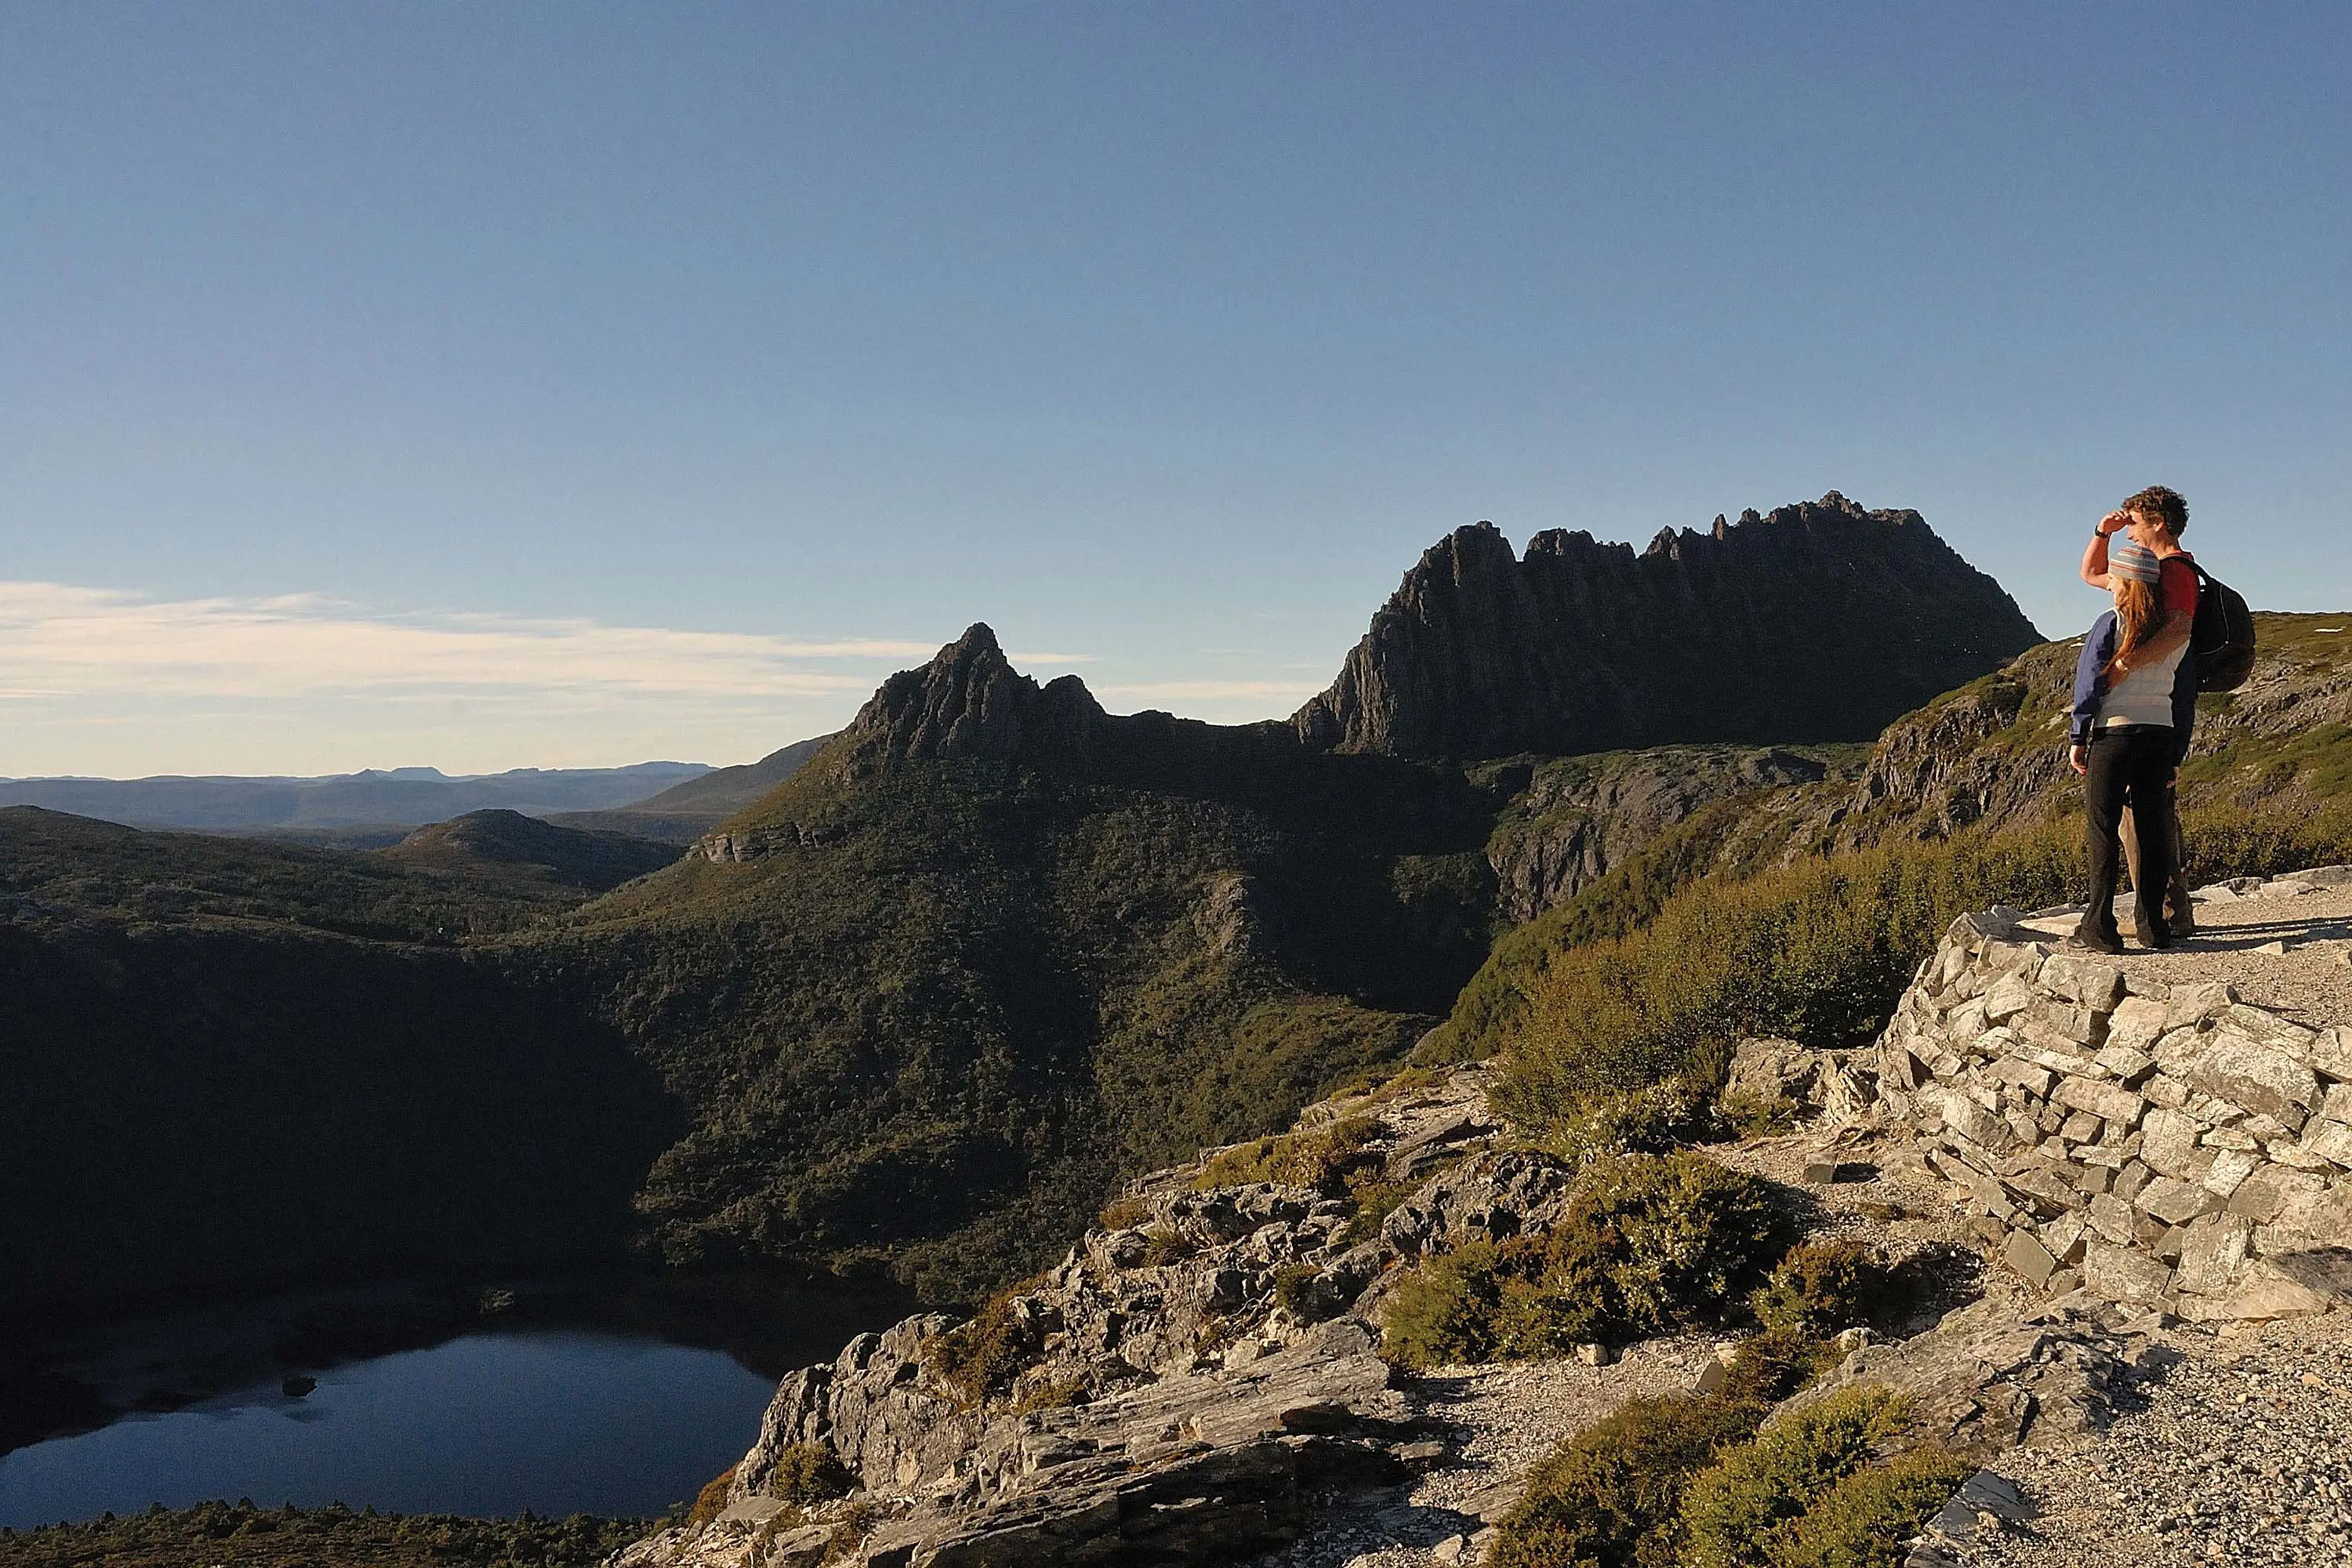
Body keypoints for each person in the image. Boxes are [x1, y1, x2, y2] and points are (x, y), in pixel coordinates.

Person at [2069, 487, 2199, 953]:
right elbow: (2092, 572)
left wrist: (2122, 666)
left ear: (2159, 522)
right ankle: (2154, 926)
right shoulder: (2152, 578)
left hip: (2116, 729)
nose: (2131, 531)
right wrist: (2102, 531)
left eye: (2136, 524)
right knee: (2147, 823)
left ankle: (2105, 924)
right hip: (2159, 727)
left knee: (2106, 827)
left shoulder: (2173, 575)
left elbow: (2179, 630)